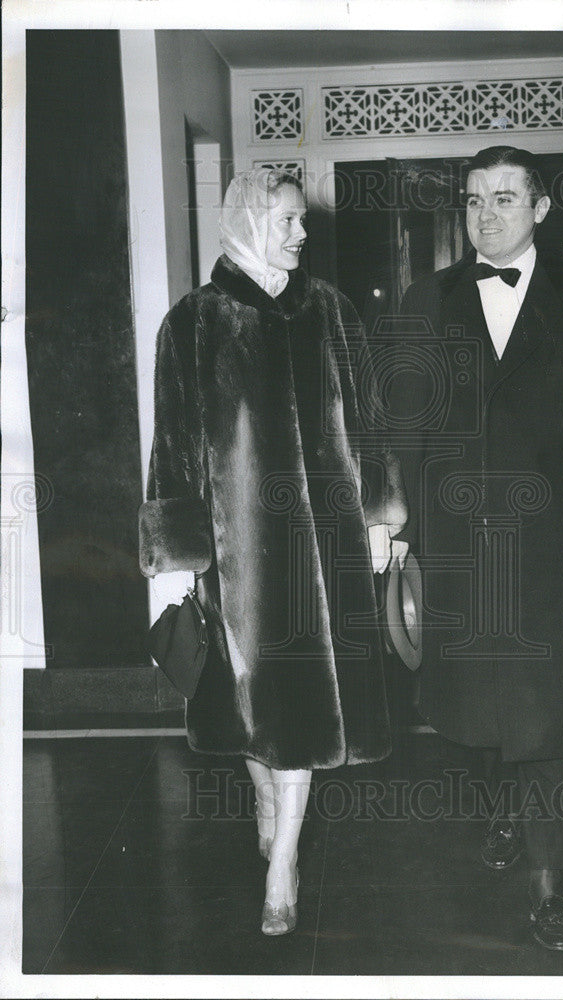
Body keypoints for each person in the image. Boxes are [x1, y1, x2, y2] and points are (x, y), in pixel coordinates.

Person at [387, 146, 563, 951]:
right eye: (474, 200)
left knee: (556, 721)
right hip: (461, 544)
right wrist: (394, 524)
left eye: (505, 198)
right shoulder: (425, 299)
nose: (486, 214)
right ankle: (503, 805)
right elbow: (404, 430)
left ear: (540, 209)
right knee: (481, 709)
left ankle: (551, 887)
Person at [138, 168, 406, 936]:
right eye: (286, 219)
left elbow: (370, 424)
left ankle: (283, 862)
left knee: (303, 713)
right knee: (250, 709)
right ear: (249, 220)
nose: (301, 233)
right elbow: (174, 449)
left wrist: (383, 517)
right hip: (239, 556)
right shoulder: (192, 323)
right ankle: (264, 794)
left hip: (327, 547)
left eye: (301, 220)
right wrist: (177, 557)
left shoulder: (332, 312)